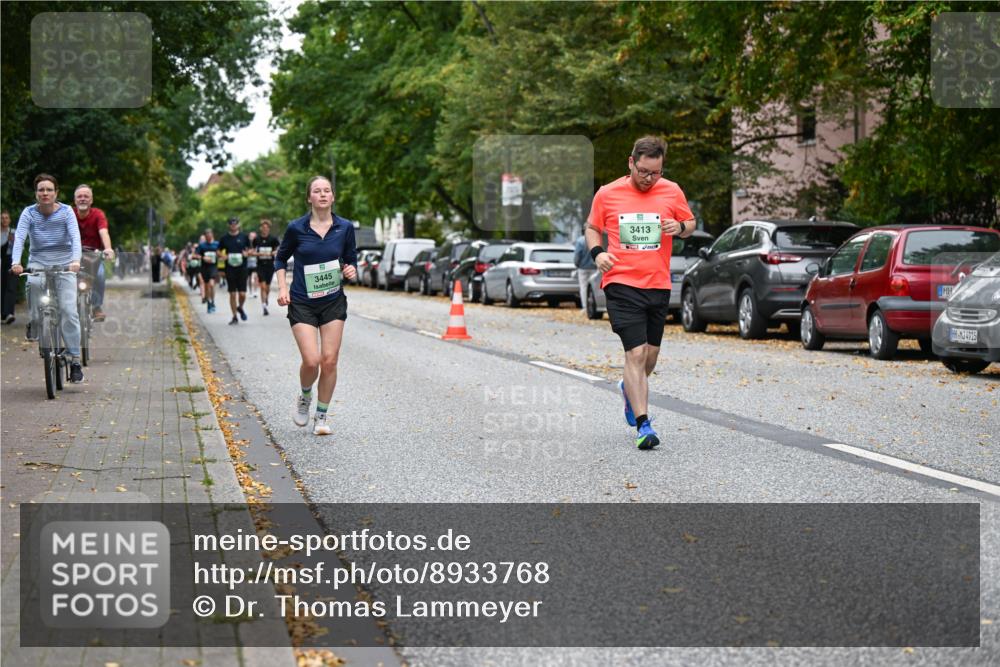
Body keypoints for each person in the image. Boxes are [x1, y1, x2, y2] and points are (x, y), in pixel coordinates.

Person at [585, 136, 696, 450]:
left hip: (657, 284)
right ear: (631, 162)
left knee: (649, 359)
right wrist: (597, 254)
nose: (649, 179)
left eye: (656, 173)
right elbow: (591, 227)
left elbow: (689, 221)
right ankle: (644, 425)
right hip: (621, 283)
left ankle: (628, 388)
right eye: (644, 172)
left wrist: (680, 228)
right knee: (634, 354)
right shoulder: (607, 194)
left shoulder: (671, 190)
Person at [275, 176, 357, 435]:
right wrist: (282, 288)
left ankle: (321, 416)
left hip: (333, 301)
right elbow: (280, 259)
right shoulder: (296, 228)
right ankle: (304, 397)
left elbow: (351, 260)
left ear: (333, 197)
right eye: (316, 191)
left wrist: (351, 270)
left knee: (329, 361)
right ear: (309, 198)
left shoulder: (345, 228)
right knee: (311, 361)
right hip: (302, 302)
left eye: (327, 190)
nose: (322, 194)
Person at [10, 174, 85, 383]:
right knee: (33, 284)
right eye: (41, 190)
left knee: (69, 311)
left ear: (56, 193)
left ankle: (75, 360)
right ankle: (35, 322)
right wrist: (16, 262)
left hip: (64, 264)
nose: (45, 193)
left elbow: (75, 238)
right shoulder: (29, 213)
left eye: (49, 190)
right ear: (36, 193)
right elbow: (20, 239)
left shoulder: (67, 212)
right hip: (38, 263)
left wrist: (76, 260)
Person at [72, 184, 115, 321]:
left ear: (91, 200)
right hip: (72, 255)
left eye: (86, 196)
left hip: (93, 255)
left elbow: (104, 232)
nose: (83, 199)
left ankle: (96, 307)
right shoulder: (69, 213)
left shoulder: (98, 214)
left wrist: (108, 249)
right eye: (79, 196)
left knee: (100, 275)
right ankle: (66, 306)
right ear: (75, 200)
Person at [218, 217, 251, 325]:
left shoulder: (244, 237)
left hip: (242, 268)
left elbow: (250, 249)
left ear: (238, 225)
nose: (233, 226)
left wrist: (247, 253)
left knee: (242, 294)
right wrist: (223, 256)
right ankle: (234, 316)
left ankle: (240, 307)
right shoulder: (224, 238)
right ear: (229, 225)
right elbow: (218, 251)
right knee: (232, 294)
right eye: (231, 224)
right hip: (230, 268)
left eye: (235, 224)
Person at [252, 219, 279, 316]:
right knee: (262, 286)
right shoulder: (256, 239)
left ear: (269, 229)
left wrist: (272, 253)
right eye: (263, 228)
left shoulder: (273, 239)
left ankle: (266, 298)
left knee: (267, 287)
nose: (265, 229)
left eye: (266, 228)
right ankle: (264, 306)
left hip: (270, 265)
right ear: (261, 229)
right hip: (260, 265)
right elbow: (252, 251)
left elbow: (277, 250)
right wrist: (259, 253)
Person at [193, 229, 220, 313]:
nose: (208, 236)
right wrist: (203, 257)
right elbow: (195, 255)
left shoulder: (217, 244)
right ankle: (208, 302)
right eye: (207, 235)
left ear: (212, 235)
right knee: (207, 286)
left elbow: (220, 253)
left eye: (210, 234)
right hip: (204, 268)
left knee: (212, 284)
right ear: (205, 236)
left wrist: (220, 256)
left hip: (213, 267)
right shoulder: (202, 246)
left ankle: (212, 301)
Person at [573, 231, 597, 311]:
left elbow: (577, 255)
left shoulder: (580, 240)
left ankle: (585, 307)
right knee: (594, 287)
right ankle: (594, 306)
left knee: (583, 287)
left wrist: (577, 264)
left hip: (583, 268)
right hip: (594, 267)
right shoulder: (595, 239)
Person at [2, 211, 17, 324]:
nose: (4, 220)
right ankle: (3, 313)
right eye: (2, 218)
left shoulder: (13, 233)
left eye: (6, 218)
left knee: (10, 287)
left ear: (10, 220)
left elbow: (18, 248)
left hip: (11, 262)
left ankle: (9, 313)